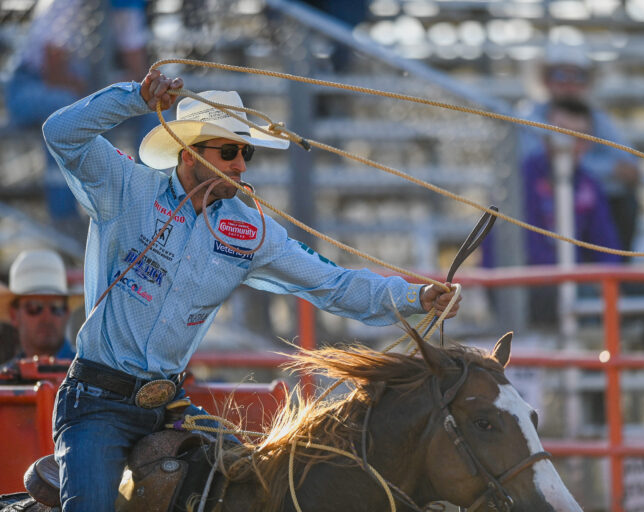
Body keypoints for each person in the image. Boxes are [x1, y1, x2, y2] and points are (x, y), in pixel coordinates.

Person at [42, 68, 460, 510]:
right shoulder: (126, 188)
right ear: (187, 153)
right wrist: (136, 98)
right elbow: (61, 133)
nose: (240, 164)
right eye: (228, 152)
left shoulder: (250, 230)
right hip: (95, 402)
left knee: (260, 488)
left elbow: (332, 284)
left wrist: (415, 298)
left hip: (168, 405)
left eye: (245, 153)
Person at [4, 0, 152, 232]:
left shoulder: (126, 8)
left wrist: (120, 93)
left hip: (85, 93)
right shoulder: (66, 4)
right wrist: (105, 93)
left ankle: (149, 210)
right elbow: (54, 74)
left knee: (153, 111)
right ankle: (65, 222)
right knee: (63, 114)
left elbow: (142, 81)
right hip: (30, 86)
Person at [518, 42, 640, 257]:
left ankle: (612, 276)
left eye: (578, 76)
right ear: (545, 79)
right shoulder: (529, 116)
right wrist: (608, 169)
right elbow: (538, 165)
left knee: (620, 203)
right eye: (561, 75)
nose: (569, 84)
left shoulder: (598, 118)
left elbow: (630, 168)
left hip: (585, 202)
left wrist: (578, 165)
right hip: (542, 204)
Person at [522, 98, 621, 325]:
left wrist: (608, 279)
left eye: (581, 137)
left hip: (572, 281)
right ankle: (590, 357)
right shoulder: (521, 179)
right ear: (546, 136)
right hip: (525, 287)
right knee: (584, 298)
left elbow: (606, 245)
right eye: (562, 134)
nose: (571, 144)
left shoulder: (589, 183)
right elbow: (527, 249)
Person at [0, 250, 80, 375]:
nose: (47, 317)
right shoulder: (4, 380)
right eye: (34, 306)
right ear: (14, 315)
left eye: (56, 306)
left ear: (67, 312)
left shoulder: (91, 376)